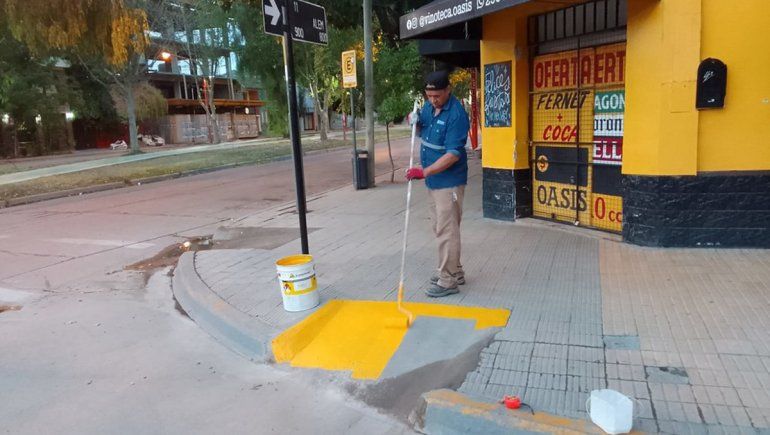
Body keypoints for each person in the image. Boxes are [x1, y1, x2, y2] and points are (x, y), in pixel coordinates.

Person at [406, 70, 470, 298]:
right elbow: (422, 125)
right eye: (429, 95)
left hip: (448, 182)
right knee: (441, 227)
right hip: (434, 181)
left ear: (448, 90)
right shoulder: (428, 107)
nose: (433, 100)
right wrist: (413, 120)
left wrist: (424, 172)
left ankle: (448, 280)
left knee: (447, 230)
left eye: (437, 96)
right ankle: (456, 271)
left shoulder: (457, 115)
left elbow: (453, 154)